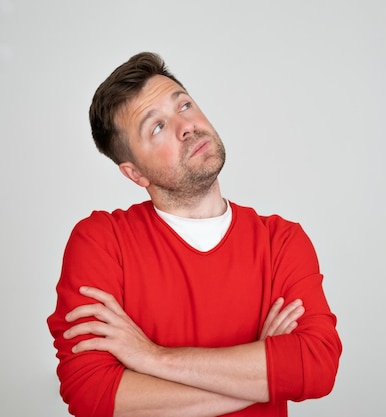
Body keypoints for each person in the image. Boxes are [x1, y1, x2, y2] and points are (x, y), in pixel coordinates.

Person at [47, 52, 342, 417]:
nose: (185, 126)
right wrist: (264, 377)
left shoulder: (281, 241)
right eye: (156, 127)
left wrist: (153, 358)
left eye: (184, 105)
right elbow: (91, 393)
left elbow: (316, 366)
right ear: (135, 174)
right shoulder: (102, 242)